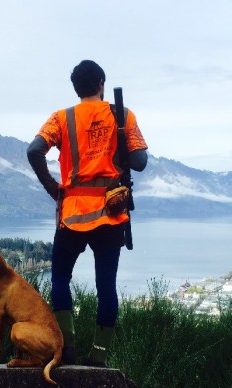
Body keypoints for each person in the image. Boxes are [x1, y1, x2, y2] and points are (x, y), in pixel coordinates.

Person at [27, 59, 148, 366]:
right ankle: (99, 356)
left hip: (72, 213)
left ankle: (66, 348)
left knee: (59, 277)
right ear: (100, 85)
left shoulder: (61, 118)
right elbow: (139, 161)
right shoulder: (122, 114)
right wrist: (117, 144)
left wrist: (53, 187)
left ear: (77, 88)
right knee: (106, 285)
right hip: (110, 212)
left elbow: (34, 151)